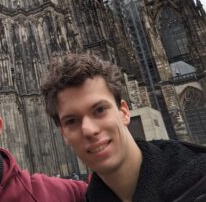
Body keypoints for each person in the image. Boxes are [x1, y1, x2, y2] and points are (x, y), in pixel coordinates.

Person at [41, 53, 206, 202]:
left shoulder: (198, 182)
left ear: (124, 112)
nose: (90, 130)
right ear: (63, 133)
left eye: (99, 110)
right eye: (71, 121)